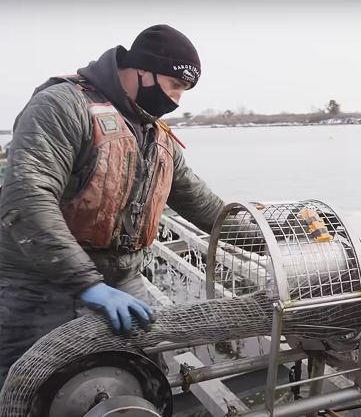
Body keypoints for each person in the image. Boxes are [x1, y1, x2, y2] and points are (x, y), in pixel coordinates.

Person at [0, 25, 225, 389]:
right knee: (32, 390)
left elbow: (205, 206)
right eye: (174, 86)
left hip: (123, 282)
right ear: (142, 72)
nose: (177, 101)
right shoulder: (62, 106)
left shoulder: (155, 134)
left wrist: (273, 231)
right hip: (40, 286)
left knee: (137, 382)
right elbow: (28, 196)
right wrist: (88, 284)